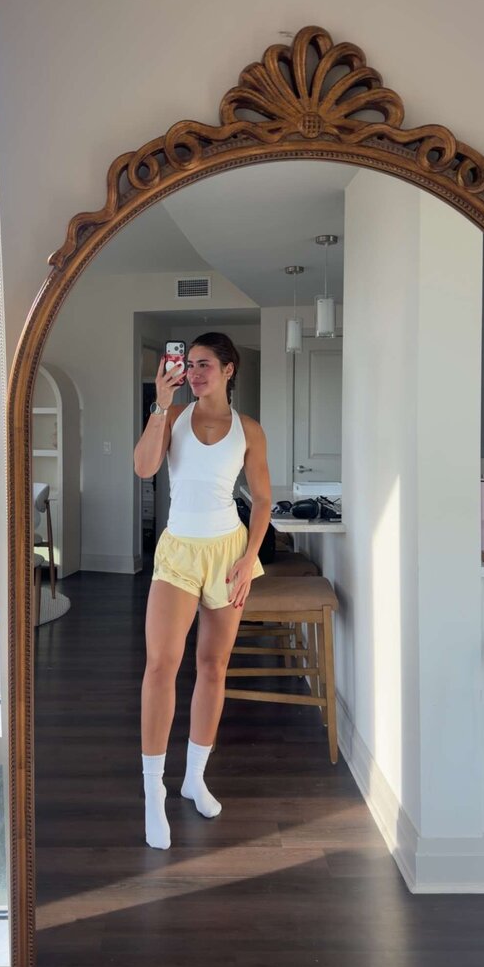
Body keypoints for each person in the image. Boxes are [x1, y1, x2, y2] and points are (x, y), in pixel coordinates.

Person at [133, 332, 272, 849]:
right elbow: (144, 468)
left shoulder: (249, 430)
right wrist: (159, 405)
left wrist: (249, 558)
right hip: (180, 552)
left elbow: (263, 500)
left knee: (213, 667)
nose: (193, 372)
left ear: (228, 370)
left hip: (229, 553)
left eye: (204, 364)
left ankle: (194, 777)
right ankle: (154, 792)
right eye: (189, 363)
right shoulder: (171, 418)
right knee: (160, 666)